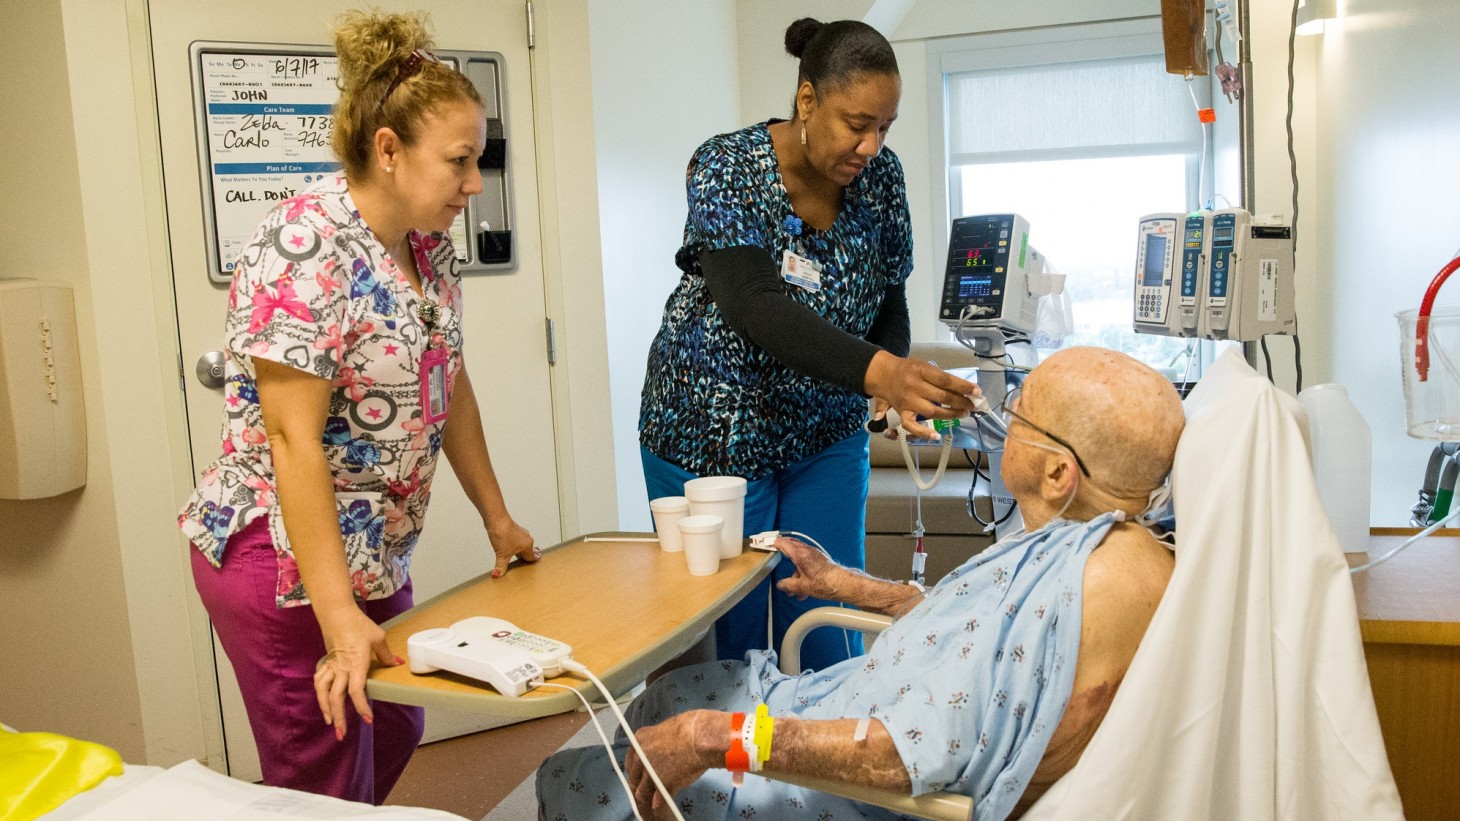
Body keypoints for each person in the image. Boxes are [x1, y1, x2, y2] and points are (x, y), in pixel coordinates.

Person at [542, 347, 1185, 821]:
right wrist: (845, 585)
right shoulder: (1076, 537)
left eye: (1021, 417)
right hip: (842, 703)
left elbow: (904, 755)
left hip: (842, 780)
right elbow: (970, 631)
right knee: (670, 696)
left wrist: (716, 737)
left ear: (1057, 474)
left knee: (573, 782)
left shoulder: (1082, 586)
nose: (1005, 420)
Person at [176, 10, 537, 803]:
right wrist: (336, 612)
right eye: (460, 161)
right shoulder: (303, 244)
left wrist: (496, 515)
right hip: (281, 559)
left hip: (370, 551)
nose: (474, 185)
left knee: (400, 722)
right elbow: (290, 436)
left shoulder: (427, 247)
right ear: (388, 151)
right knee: (326, 770)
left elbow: (452, 384)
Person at [638, 17, 977, 671]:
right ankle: (720, 769)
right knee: (733, 637)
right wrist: (882, 372)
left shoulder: (880, 181)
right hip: (712, 435)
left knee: (827, 619)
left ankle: (826, 768)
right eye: (857, 123)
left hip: (825, 434)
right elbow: (753, 304)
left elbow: (888, 298)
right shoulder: (725, 166)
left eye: (886, 126)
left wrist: (895, 383)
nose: (872, 144)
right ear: (807, 100)